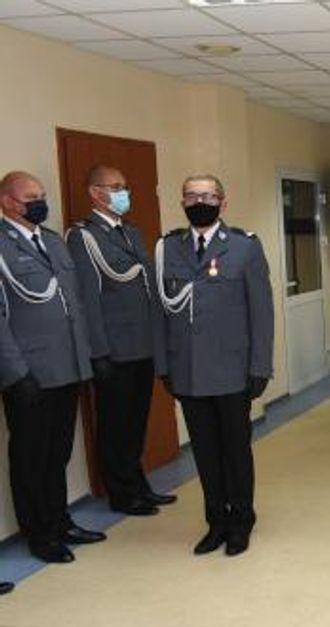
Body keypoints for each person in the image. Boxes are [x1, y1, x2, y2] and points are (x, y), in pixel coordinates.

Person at [155, 174, 273, 556]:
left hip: (233, 370)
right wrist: (164, 365)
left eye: (207, 196)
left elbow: (262, 313)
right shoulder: (167, 249)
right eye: (191, 196)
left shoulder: (244, 247)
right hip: (187, 371)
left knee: (236, 450)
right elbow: (159, 312)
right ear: (183, 203)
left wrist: (260, 367)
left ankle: (241, 519)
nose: (198, 201)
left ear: (223, 203)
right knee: (204, 452)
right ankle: (215, 522)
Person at [0, 171, 104, 564]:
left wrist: (85, 360)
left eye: (42, 195)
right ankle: (39, 534)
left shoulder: (52, 242)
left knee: (58, 452)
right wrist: (15, 373)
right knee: (30, 456)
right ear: (8, 202)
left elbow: (71, 306)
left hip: (66, 369)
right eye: (32, 197)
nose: (40, 202)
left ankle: (60, 521)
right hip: (28, 374)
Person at [66, 165, 174, 518]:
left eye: (124, 186)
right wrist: (99, 352)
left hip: (141, 345)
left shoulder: (131, 232)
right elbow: (88, 299)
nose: (123, 193)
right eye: (115, 187)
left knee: (136, 420)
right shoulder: (83, 237)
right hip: (114, 349)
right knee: (115, 426)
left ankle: (138, 483)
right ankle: (121, 493)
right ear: (95, 193)